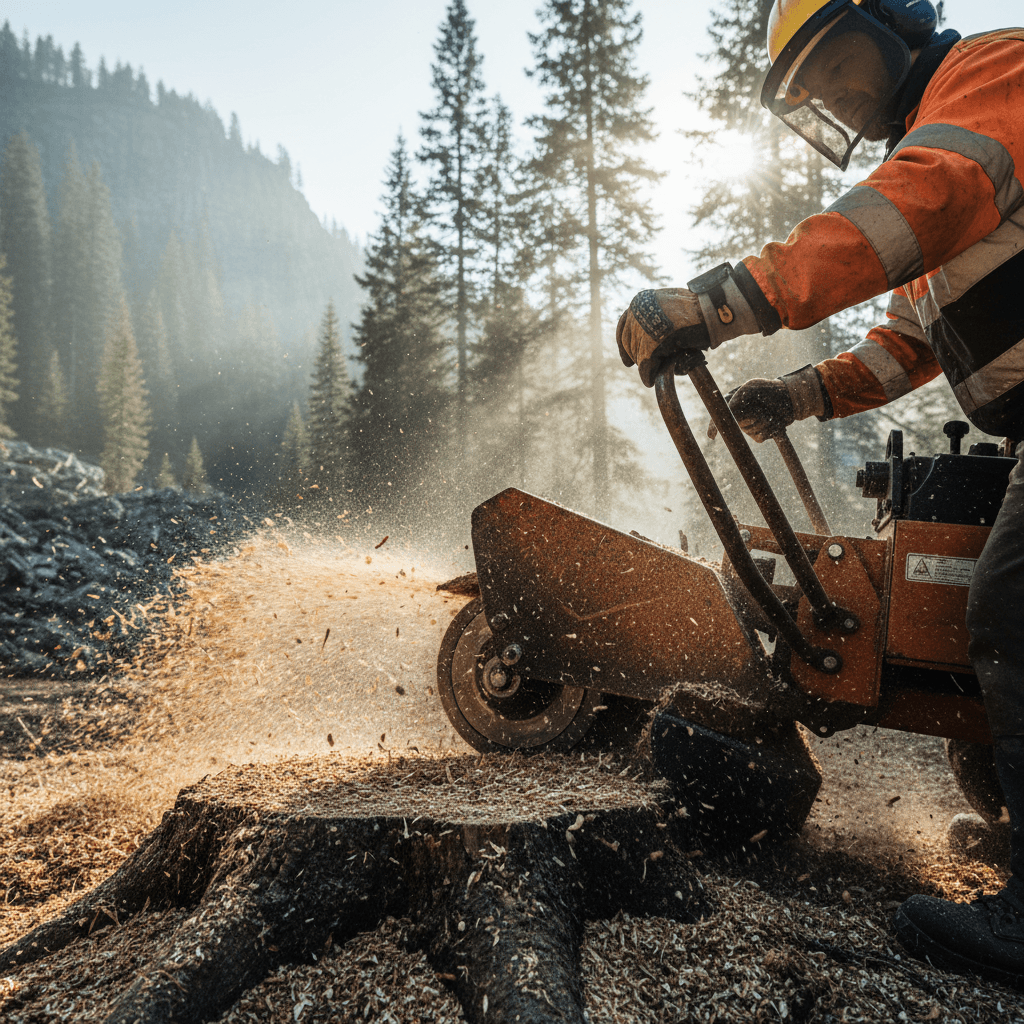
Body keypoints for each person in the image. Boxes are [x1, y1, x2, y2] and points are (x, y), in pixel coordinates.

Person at [615, 0, 1023, 990]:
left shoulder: (994, 76)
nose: (832, 96)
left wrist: (719, 303)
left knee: (1013, 610)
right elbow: (911, 342)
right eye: (810, 92)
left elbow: (911, 207)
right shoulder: (945, 138)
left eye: (834, 64)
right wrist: (801, 392)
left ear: (893, 21)